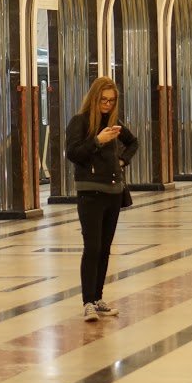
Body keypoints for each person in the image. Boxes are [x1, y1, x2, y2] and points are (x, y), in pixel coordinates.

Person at [64, 76, 138, 322]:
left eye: (111, 101)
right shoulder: (80, 122)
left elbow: (133, 142)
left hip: (113, 193)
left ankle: (98, 298)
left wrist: (122, 160)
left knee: (105, 248)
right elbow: (73, 154)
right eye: (103, 100)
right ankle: (87, 302)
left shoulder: (114, 123)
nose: (107, 105)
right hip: (90, 193)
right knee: (92, 247)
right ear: (94, 98)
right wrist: (98, 141)